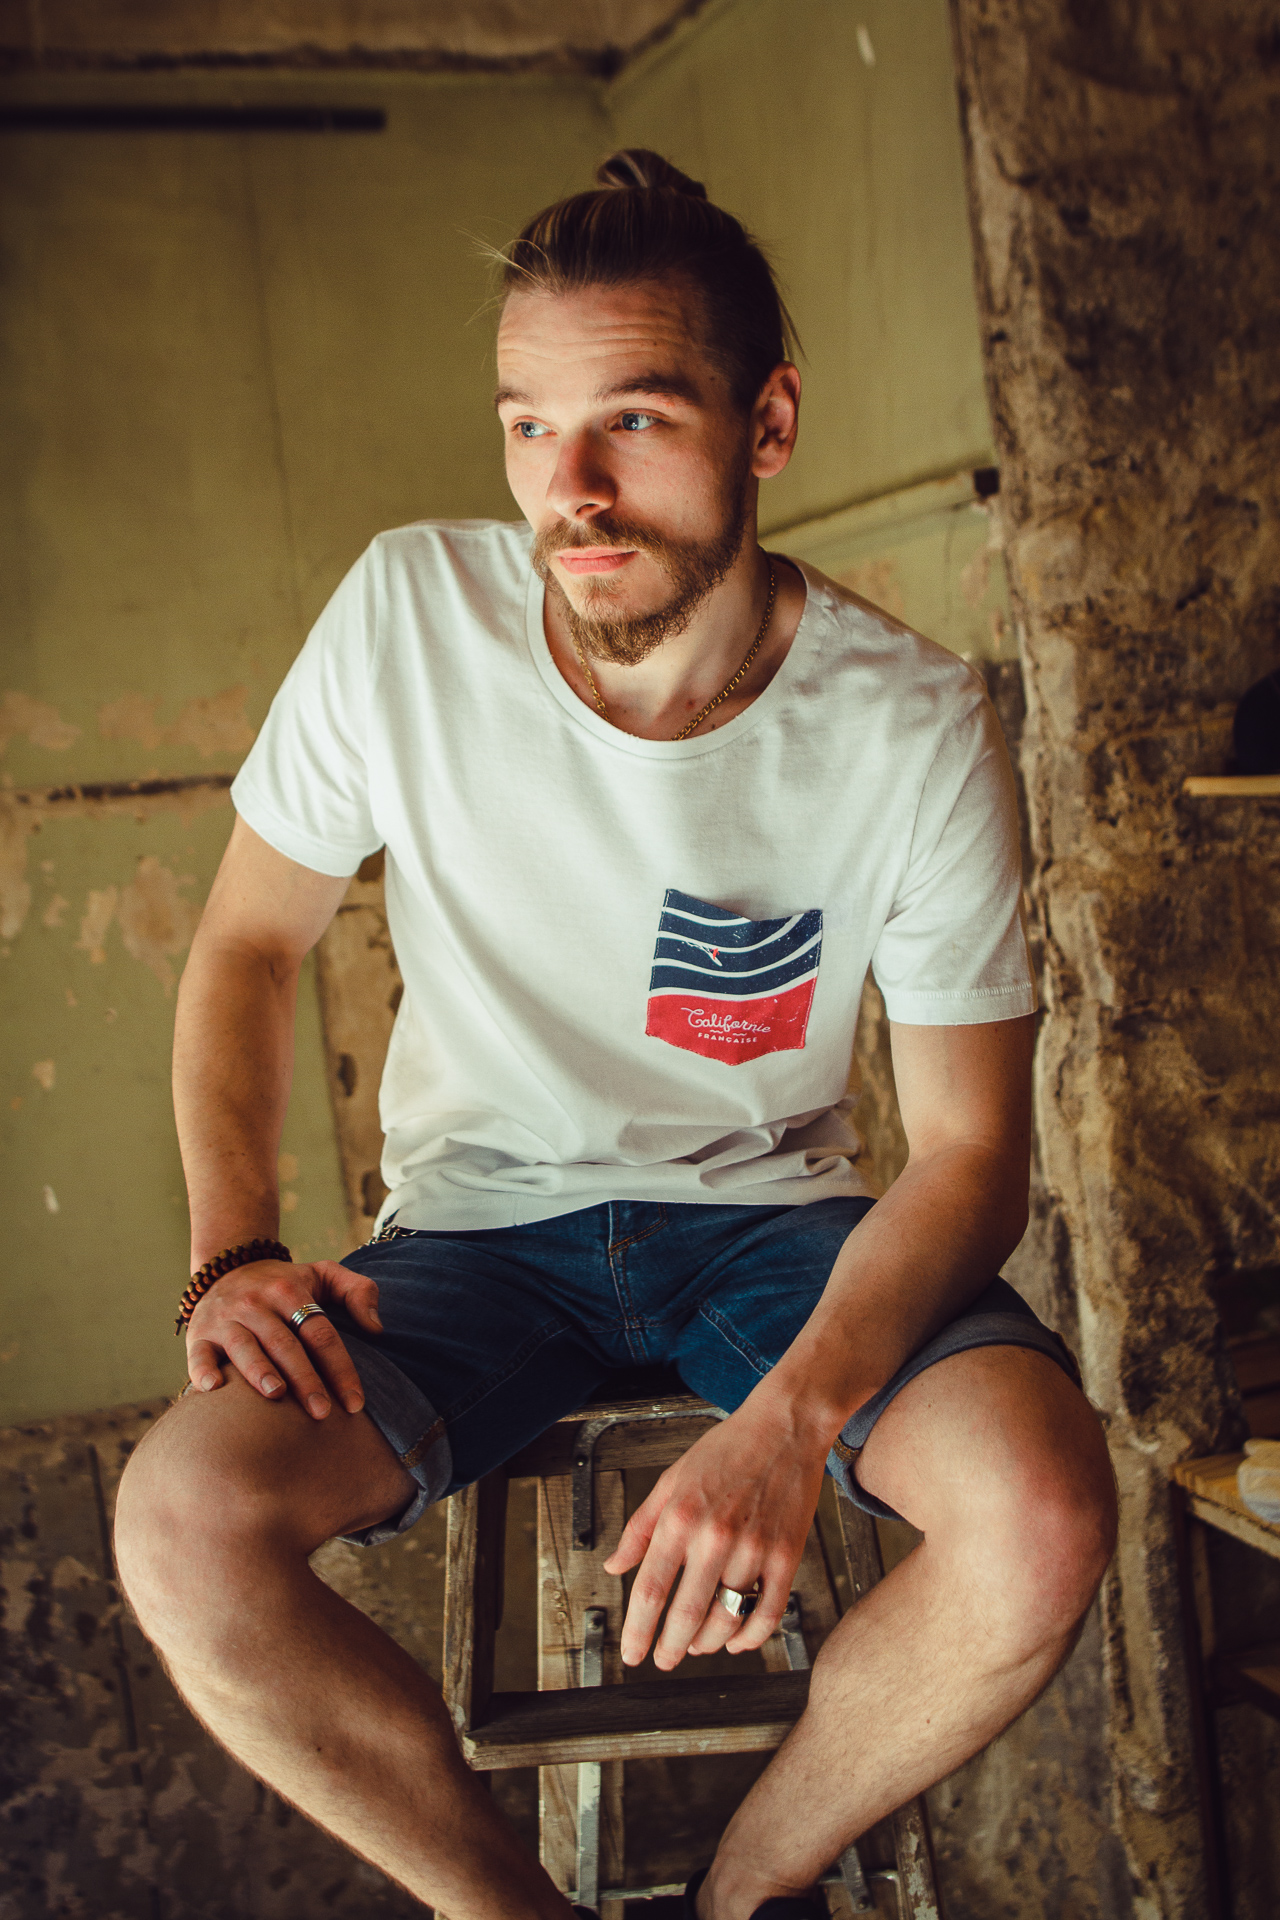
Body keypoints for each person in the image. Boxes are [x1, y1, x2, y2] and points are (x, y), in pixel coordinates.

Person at [114, 150, 1117, 1920]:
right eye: (528, 427)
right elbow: (248, 946)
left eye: (633, 421)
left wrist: (793, 1421)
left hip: (776, 1235)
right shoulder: (407, 618)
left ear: (767, 422)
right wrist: (234, 1251)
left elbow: (973, 1155)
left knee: (1041, 1515)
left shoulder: (910, 724)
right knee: (180, 1522)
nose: (567, 491)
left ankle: (742, 1897)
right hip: (470, 1242)